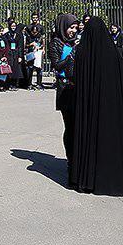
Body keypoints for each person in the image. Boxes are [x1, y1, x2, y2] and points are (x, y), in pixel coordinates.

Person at [68, 17, 123, 196]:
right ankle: (116, 177)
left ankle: (89, 177)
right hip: (112, 109)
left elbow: (76, 81)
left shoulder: (82, 53)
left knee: (90, 139)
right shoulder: (113, 53)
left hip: (89, 109)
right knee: (111, 141)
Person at [48, 14, 78, 170]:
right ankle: (70, 158)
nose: (73, 31)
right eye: (71, 27)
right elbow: (57, 66)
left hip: (77, 86)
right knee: (70, 126)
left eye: (75, 28)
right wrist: (71, 55)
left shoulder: (76, 42)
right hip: (64, 87)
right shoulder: (55, 43)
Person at [3, 20, 25, 90]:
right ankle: (8, 84)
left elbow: (21, 46)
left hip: (16, 53)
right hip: (9, 53)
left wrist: (20, 56)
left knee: (16, 69)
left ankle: (15, 84)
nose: (13, 27)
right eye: (12, 26)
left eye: (14, 26)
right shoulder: (6, 35)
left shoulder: (19, 35)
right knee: (9, 69)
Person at [25, 15, 45, 90]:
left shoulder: (41, 28)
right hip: (30, 51)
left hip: (38, 51)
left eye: (36, 18)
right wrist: (30, 44)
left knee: (39, 68)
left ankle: (39, 83)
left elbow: (43, 39)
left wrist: (43, 48)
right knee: (30, 68)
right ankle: (29, 84)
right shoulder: (28, 28)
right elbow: (25, 43)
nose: (35, 32)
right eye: (33, 18)